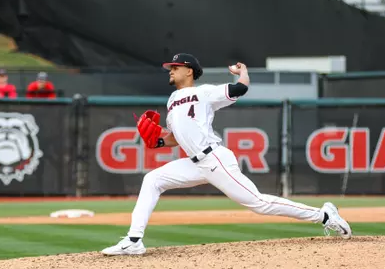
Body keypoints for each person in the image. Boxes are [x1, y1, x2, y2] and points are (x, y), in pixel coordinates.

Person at [101, 53, 352, 256]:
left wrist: (242, 72)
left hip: (215, 159)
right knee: (152, 180)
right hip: (194, 163)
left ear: (189, 71)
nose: (171, 70)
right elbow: (177, 137)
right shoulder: (172, 100)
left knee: (259, 203)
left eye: (175, 67)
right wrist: (157, 141)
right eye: (171, 67)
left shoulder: (204, 92)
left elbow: (239, 89)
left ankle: (325, 215)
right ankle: (134, 240)